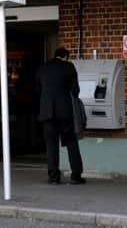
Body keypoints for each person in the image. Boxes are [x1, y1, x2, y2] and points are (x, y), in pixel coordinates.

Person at [36, 47, 85, 185]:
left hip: (47, 112)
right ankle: (76, 175)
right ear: (65, 57)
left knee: (51, 145)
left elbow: (38, 89)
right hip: (65, 112)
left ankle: (53, 177)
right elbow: (75, 90)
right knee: (71, 143)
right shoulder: (68, 67)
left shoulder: (43, 68)